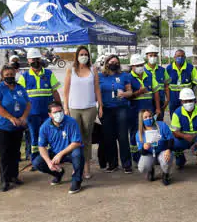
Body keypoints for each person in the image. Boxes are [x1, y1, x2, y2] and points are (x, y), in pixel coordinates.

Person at [63, 46, 102, 179]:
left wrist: (100, 106)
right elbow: (66, 90)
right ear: (77, 56)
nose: (84, 56)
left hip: (90, 108)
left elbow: (97, 88)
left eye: (86, 54)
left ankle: (86, 168)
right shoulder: (71, 70)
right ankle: (76, 167)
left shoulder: (93, 70)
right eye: (81, 54)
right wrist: (66, 107)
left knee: (87, 138)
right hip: (74, 108)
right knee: (75, 139)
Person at [17, 48, 61, 164]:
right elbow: (20, 96)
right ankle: (35, 160)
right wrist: (22, 114)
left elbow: (55, 92)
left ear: (40, 59)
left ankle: (52, 159)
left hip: (48, 114)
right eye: (33, 59)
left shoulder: (48, 74)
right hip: (32, 115)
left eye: (37, 59)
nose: (35, 61)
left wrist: (59, 109)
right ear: (28, 61)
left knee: (50, 135)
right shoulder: (24, 76)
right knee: (34, 137)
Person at [0, 65, 31, 192]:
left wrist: (23, 117)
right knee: (4, 154)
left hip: (18, 126)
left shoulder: (20, 88)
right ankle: (5, 180)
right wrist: (10, 117)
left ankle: (14, 176)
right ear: (2, 76)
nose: (9, 77)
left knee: (15, 153)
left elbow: (28, 103)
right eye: (7, 75)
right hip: (4, 127)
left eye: (11, 74)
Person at [33, 101, 85, 194]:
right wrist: (49, 162)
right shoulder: (44, 127)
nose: (59, 114)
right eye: (55, 112)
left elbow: (76, 142)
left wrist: (60, 154)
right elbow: (42, 147)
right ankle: (58, 173)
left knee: (78, 154)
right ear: (50, 115)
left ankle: (77, 180)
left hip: (70, 151)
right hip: (55, 152)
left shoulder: (71, 122)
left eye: (60, 111)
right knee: (37, 162)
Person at [98, 55, 133, 173]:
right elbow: (95, 92)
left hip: (121, 109)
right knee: (109, 137)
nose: (114, 64)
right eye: (112, 61)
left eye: (117, 62)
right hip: (106, 110)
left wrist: (124, 94)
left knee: (123, 137)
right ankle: (112, 164)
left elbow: (130, 92)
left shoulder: (124, 76)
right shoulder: (100, 76)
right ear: (106, 63)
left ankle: (126, 164)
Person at [127, 53, 161, 163]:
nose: (140, 67)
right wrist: (139, 92)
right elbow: (129, 96)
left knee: (151, 132)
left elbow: (156, 92)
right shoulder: (128, 78)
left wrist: (158, 108)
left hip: (149, 110)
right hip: (134, 111)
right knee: (135, 134)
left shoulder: (149, 76)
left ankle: (153, 154)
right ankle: (136, 157)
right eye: (137, 65)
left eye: (141, 64)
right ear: (132, 66)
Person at [170, 88, 197, 169]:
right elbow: (174, 131)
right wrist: (185, 136)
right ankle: (180, 160)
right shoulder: (177, 113)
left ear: (195, 100)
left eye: (190, 100)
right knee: (174, 143)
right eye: (185, 101)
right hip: (184, 138)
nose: (188, 103)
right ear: (181, 102)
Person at [136, 109, 174, 186]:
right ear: (141, 120)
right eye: (145, 117)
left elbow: (171, 139)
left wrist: (168, 149)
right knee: (142, 167)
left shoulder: (162, 125)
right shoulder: (139, 133)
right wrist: (144, 148)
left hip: (162, 151)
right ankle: (150, 169)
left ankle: (165, 173)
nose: (148, 118)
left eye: (150, 116)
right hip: (150, 153)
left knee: (166, 159)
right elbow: (141, 152)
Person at [166, 49, 197, 116]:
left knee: (186, 115)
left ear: (185, 58)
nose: (180, 58)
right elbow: (166, 85)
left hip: (187, 98)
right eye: (178, 56)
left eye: (182, 56)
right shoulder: (169, 68)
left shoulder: (190, 68)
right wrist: (167, 99)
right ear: (174, 57)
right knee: (174, 115)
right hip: (173, 98)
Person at [144, 45, 170, 121]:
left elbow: (166, 86)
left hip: (160, 101)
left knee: (159, 122)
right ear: (146, 56)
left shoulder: (162, 70)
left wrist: (167, 100)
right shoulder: (143, 70)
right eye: (150, 55)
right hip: (147, 102)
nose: (153, 57)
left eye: (155, 55)